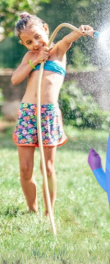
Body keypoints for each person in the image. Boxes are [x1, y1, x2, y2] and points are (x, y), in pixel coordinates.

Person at [11, 13, 94, 215]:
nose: (35, 43)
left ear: (46, 30)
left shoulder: (58, 51)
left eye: (38, 37)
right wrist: (35, 61)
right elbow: (15, 79)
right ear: (24, 45)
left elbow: (67, 38)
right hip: (28, 114)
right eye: (29, 42)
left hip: (48, 115)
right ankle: (32, 210)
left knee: (47, 167)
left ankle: (49, 212)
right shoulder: (30, 57)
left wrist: (79, 32)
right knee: (25, 168)